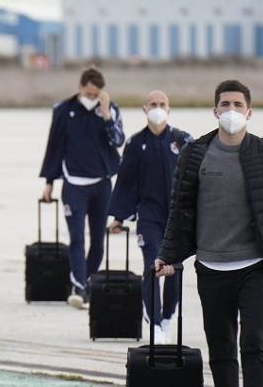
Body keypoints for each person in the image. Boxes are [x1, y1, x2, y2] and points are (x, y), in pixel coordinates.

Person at [155, 79, 263, 387]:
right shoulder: (195, 153)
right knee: (221, 347)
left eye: (237, 104)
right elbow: (179, 211)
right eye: (225, 104)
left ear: (249, 112)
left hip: (255, 266)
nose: (231, 111)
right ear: (215, 110)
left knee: (255, 342)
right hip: (211, 266)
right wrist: (168, 256)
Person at [108, 90, 191, 343]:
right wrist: (119, 217)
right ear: (145, 109)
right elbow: (125, 181)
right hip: (149, 216)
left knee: (174, 269)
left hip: (177, 217)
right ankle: (154, 322)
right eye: (153, 104)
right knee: (152, 266)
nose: (157, 108)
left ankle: (167, 316)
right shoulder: (135, 143)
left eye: (162, 104)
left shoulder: (183, 140)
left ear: (169, 109)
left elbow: (198, 178)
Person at [39, 67, 125, 309]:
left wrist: (106, 115)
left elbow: (118, 141)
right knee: (76, 238)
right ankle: (78, 286)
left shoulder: (110, 109)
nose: (91, 98)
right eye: (88, 93)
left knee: (98, 240)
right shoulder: (63, 110)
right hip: (73, 185)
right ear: (80, 88)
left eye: (96, 94)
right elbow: (54, 146)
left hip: (102, 184)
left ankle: (86, 282)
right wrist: (49, 182)